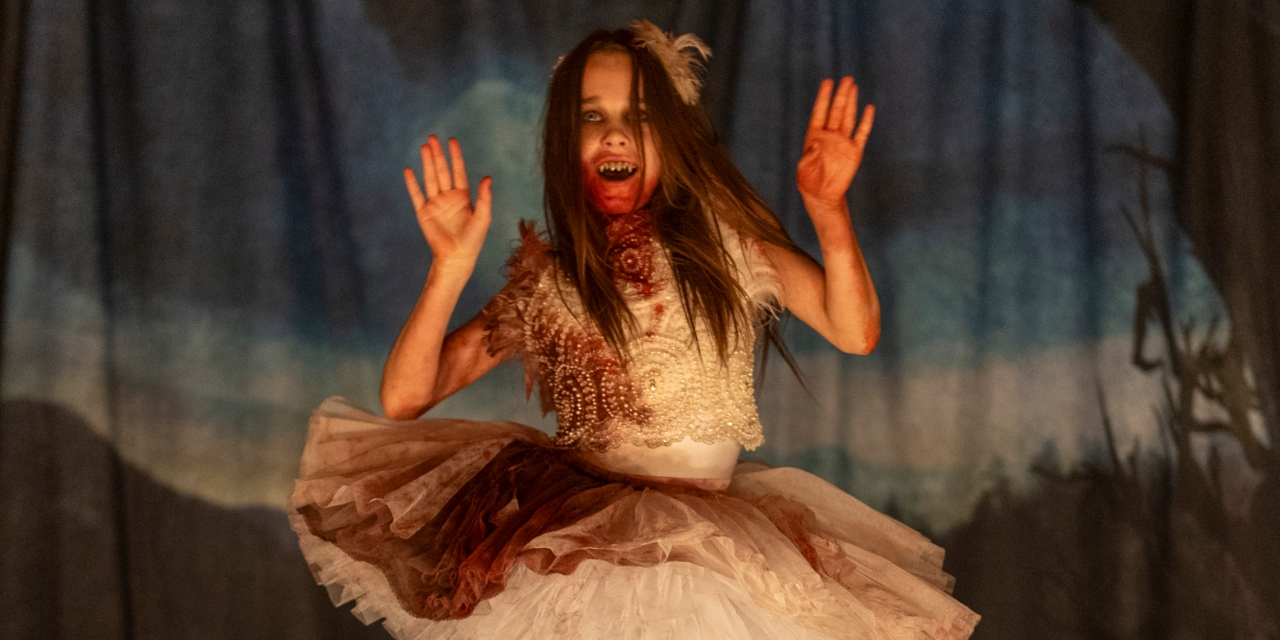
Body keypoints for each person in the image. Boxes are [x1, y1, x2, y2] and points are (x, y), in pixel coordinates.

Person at [289, 21, 979, 640]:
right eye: (593, 116)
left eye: (637, 116)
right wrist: (449, 268)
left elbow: (854, 331)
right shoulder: (547, 281)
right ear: (569, 142)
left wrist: (827, 210)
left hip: (710, 547)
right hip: (584, 550)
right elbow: (407, 396)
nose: (615, 133)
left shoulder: (728, 250)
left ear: (670, 139)